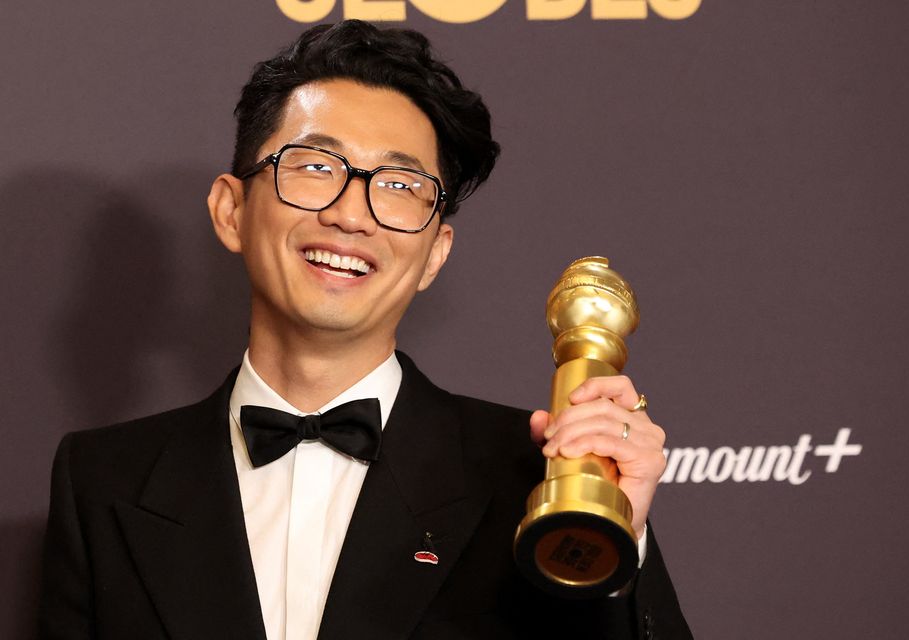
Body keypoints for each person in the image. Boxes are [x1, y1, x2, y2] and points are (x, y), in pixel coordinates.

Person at [39, 20, 692, 640]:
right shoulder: (103, 482)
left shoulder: (537, 482)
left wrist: (614, 543)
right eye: (316, 167)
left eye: (400, 184)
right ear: (231, 211)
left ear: (435, 253)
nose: (353, 214)